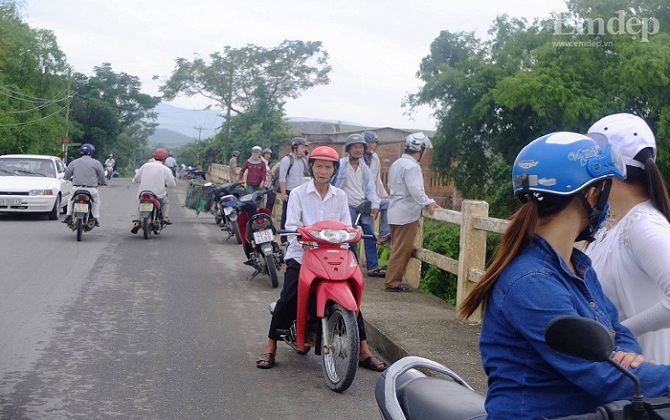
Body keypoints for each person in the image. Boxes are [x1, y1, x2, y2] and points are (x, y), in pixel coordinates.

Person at [458, 131, 670, 419]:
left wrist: (627, 358)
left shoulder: (578, 265)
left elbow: (615, 332)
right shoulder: (531, 281)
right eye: (605, 190)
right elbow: (604, 375)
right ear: (591, 194)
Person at [255, 146, 387, 372]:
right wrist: (302, 238)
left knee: (352, 300)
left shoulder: (340, 196)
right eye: (319, 166)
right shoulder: (298, 194)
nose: (323, 171)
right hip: (302, 254)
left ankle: (363, 351)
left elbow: (346, 226)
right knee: (289, 297)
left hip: (333, 255)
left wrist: (350, 236)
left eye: (328, 167)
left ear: (334, 169)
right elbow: (291, 225)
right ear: (312, 167)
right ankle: (271, 346)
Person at [585, 113, 670, 365]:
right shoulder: (608, 226)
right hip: (619, 385)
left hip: (644, 388)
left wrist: (617, 334)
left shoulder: (642, 225)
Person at [385, 132, 440, 291]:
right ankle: (393, 282)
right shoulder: (412, 167)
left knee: (397, 248)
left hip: (395, 211)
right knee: (402, 250)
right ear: (420, 149)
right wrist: (428, 202)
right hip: (406, 214)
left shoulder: (397, 163)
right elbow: (415, 190)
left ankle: (393, 280)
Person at [331, 133, 385, 277]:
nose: (358, 150)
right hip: (347, 206)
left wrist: (374, 204)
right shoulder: (340, 165)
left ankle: (373, 267)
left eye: (360, 147)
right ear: (348, 149)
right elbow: (331, 184)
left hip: (363, 205)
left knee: (370, 235)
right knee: (350, 237)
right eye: (354, 147)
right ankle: (352, 265)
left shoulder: (364, 168)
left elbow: (370, 188)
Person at [130, 148, 177, 233]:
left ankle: (137, 221)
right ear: (165, 159)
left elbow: (136, 179)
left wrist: (135, 181)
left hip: (143, 193)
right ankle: (165, 217)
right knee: (165, 202)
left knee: (140, 205)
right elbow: (171, 183)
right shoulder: (165, 169)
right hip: (158, 194)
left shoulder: (145, 166)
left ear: (153, 157)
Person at [62, 143, 106, 226]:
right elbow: (102, 176)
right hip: (91, 189)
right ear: (92, 153)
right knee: (96, 202)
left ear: (81, 152)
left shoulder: (74, 162)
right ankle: (95, 218)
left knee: (70, 200)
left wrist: (66, 178)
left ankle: (68, 215)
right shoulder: (96, 163)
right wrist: (103, 182)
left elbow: (67, 174)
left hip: (76, 189)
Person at [363, 131, 391, 246]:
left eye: (373, 143)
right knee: (365, 232)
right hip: (359, 199)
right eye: (368, 142)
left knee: (388, 203)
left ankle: (384, 235)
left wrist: (384, 195)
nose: (371, 145)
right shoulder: (356, 159)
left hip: (373, 198)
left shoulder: (375, 158)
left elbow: (377, 179)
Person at [279, 137, 309, 239]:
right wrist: (283, 193)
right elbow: (282, 178)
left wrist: (307, 158)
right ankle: (284, 237)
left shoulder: (302, 161)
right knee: (287, 214)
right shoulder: (287, 160)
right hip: (289, 191)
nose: (303, 149)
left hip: (300, 191)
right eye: (302, 147)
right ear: (295, 147)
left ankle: (295, 236)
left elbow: (309, 172)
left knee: (299, 214)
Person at [260, 148, 276, 213]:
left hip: (266, 183)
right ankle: (266, 213)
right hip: (264, 183)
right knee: (268, 199)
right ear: (264, 155)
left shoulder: (265, 162)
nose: (269, 156)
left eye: (269, 155)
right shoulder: (262, 162)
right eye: (267, 154)